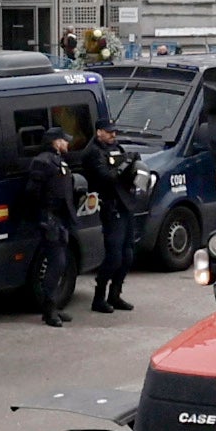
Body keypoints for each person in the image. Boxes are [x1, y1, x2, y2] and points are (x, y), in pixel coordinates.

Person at [18, 125, 82, 327]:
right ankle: (49, 309)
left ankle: (54, 305)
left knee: (61, 263)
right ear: (55, 142)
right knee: (56, 263)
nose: (67, 143)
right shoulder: (42, 162)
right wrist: (43, 214)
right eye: (64, 140)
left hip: (61, 219)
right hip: (50, 218)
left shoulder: (58, 160)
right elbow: (32, 192)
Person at [82, 118, 140, 312]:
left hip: (125, 204)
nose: (113, 135)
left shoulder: (116, 148)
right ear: (99, 132)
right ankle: (99, 297)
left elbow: (128, 171)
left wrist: (134, 165)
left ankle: (115, 295)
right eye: (109, 132)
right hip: (110, 206)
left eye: (114, 131)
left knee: (128, 254)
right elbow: (106, 177)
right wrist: (125, 165)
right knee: (114, 256)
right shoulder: (93, 152)